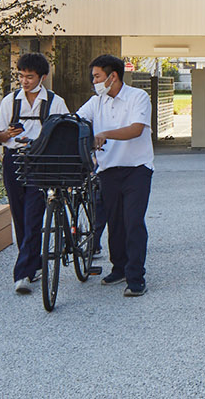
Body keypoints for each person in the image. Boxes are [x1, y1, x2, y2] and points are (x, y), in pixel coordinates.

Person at [75, 54, 153, 297]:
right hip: (108, 169)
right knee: (115, 224)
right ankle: (119, 268)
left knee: (133, 221)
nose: (94, 81)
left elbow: (136, 129)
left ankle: (136, 276)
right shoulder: (96, 102)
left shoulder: (137, 97)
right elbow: (77, 119)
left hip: (137, 169)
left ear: (113, 76)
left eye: (97, 76)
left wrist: (105, 134)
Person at [0, 52, 68, 295]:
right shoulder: (10, 101)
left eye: (30, 77)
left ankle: (22, 273)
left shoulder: (55, 102)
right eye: (21, 76)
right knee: (19, 213)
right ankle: (33, 263)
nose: (24, 81)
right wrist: (8, 135)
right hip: (14, 158)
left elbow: (65, 131)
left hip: (41, 161)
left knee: (33, 213)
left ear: (42, 77)